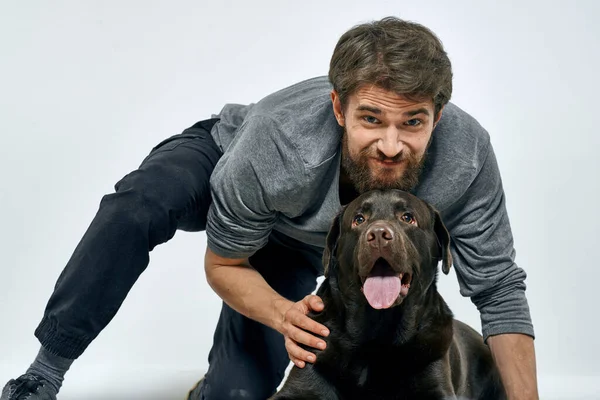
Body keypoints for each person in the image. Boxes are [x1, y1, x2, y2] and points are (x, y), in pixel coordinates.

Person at [1, 16, 539, 400]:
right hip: (226, 162)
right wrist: (284, 314)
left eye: (413, 123)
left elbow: (497, 288)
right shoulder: (279, 142)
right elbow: (225, 263)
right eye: (372, 119)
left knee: (238, 394)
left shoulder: (467, 157)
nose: (392, 145)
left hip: (300, 235)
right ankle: (43, 374)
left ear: (438, 117)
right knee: (138, 206)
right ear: (338, 106)